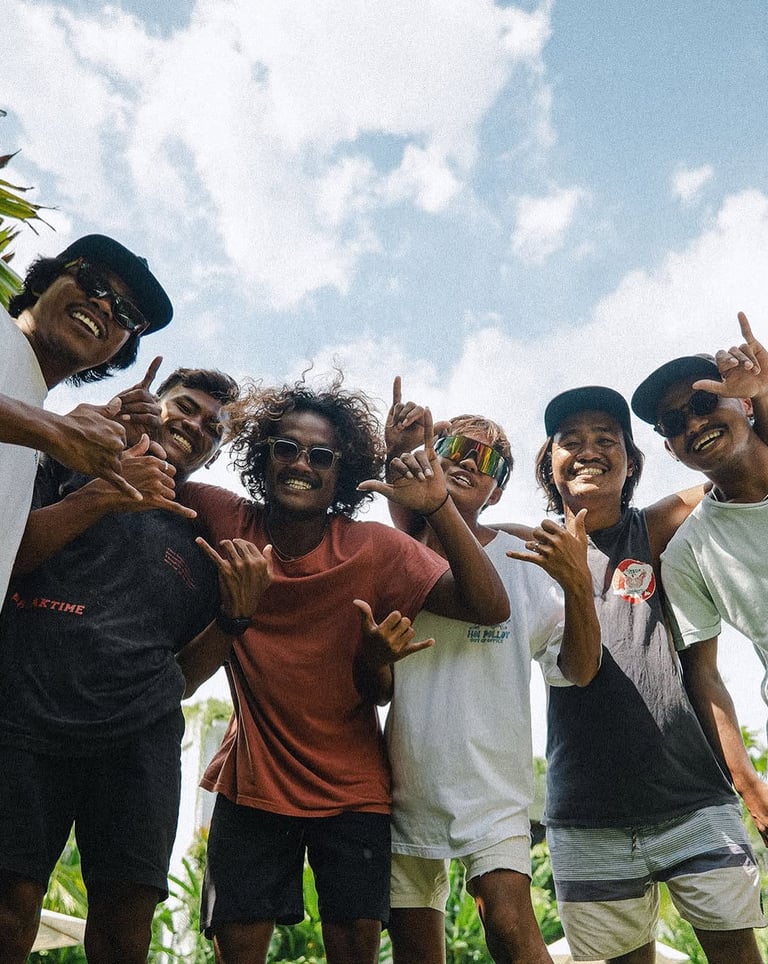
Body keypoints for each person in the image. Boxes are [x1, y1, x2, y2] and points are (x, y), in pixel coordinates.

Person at [179, 375, 510, 964]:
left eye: (322, 455)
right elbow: (153, 476)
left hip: (354, 788)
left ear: (344, 469)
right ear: (263, 455)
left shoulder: (374, 548)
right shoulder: (225, 518)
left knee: (356, 946)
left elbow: (489, 604)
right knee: (237, 945)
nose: (301, 464)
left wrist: (434, 502)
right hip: (253, 779)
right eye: (287, 448)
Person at [0, 365, 267, 964]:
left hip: (137, 739)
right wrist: (101, 491)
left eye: (213, 427)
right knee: (9, 906)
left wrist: (233, 619)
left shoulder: (200, 531)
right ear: (154, 404)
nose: (196, 425)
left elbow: (183, 677)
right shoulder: (64, 460)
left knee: (125, 926)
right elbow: (8, 556)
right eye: (186, 406)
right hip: (22, 714)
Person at [525, 385, 764, 964]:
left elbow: (742, 470)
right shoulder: (525, 549)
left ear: (633, 462)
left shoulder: (655, 529)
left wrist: (756, 395)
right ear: (549, 464)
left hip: (693, 800)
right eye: (570, 441)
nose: (587, 450)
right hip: (588, 818)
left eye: (606, 440)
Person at [379, 379, 601, 964]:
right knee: (415, 949)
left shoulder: (524, 558)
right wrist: (396, 462)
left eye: (487, 460)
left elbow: (577, 670)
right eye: (451, 447)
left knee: (509, 926)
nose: (466, 463)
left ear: (498, 491)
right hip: (405, 781)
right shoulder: (395, 550)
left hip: (493, 789)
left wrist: (578, 584)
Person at [631, 312, 768, 845]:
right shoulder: (688, 552)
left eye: (705, 402)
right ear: (669, 448)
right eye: (673, 422)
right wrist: (748, 784)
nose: (692, 423)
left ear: (745, 403)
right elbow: (704, 674)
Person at [0, 233, 173, 599]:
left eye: (127, 312)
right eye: (93, 282)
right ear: (45, 280)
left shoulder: (36, 435)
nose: (106, 306)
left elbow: (11, 552)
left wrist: (104, 488)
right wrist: (55, 430)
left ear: (119, 352)